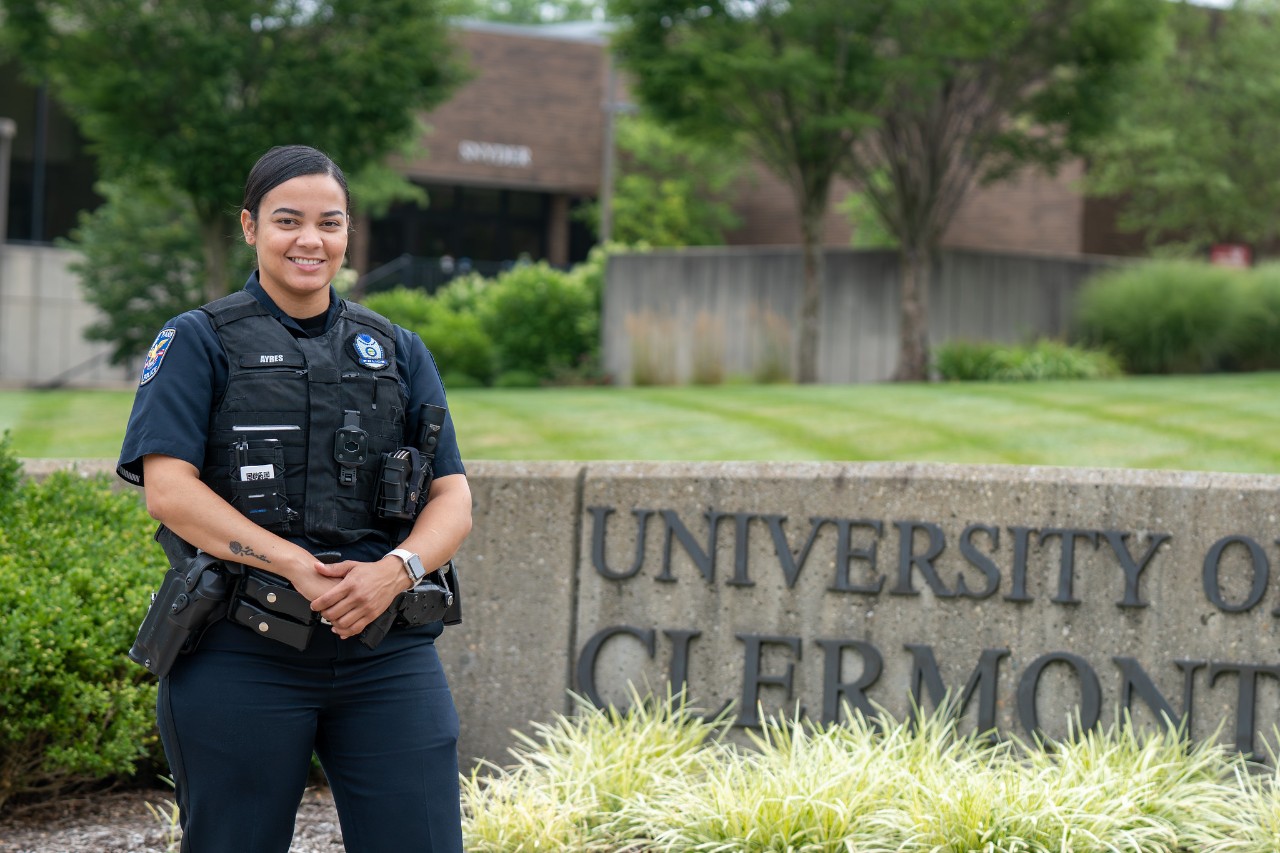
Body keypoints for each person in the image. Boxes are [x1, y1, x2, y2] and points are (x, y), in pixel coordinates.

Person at [117, 144, 472, 852]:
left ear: (348, 233)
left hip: (385, 649)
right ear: (250, 227)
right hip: (242, 651)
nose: (311, 240)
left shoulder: (396, 348)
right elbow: (168, 490)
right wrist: (295, 564)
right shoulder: (198, 340)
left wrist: (394, 570)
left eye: (330, 223)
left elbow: (452, 496)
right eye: (288, 220)